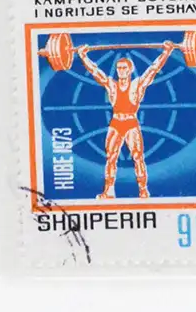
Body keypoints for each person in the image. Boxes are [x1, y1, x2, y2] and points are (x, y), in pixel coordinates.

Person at [76, 41, 181, 201]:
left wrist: (166, 52)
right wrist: (83, 56)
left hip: (131, 124)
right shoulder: (112, 85)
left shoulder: (137, 85)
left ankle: (143, 191)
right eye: (119, 68)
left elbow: (153, 69)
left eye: (124, 68)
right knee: (111, 157)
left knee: (138, 157)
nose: (121, 71)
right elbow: (95, 71)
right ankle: (109, 191)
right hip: (115, 124)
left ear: (130, 69)